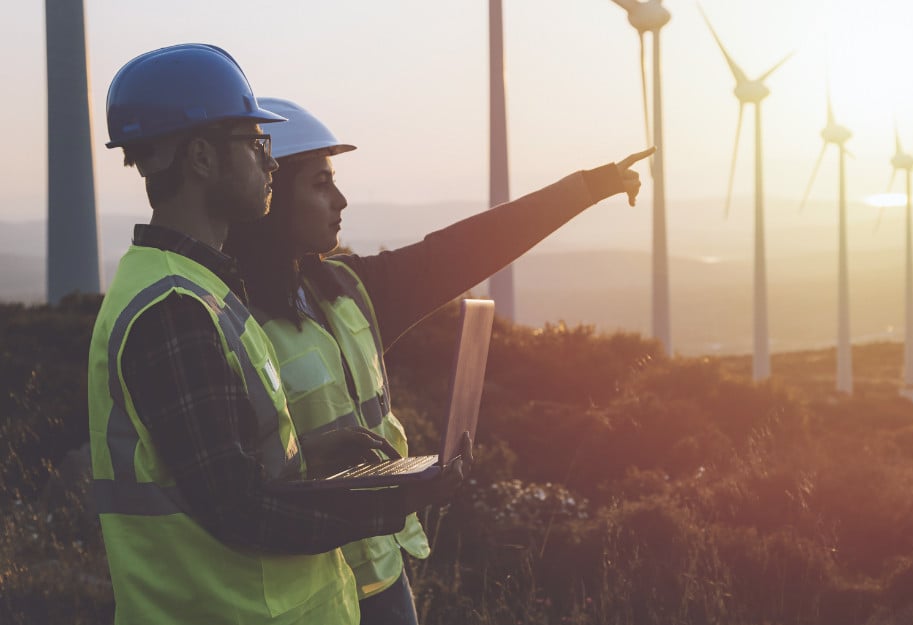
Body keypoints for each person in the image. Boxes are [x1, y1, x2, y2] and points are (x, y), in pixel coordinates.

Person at [222, 97, 653, 624]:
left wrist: (589, 186)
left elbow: (466, 248)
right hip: (297, 594)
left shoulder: (349, 289)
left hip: (382, 574)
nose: (340, 199)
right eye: (320, 184)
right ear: (270, 192)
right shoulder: (226, 317)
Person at [87, 44, 457, 625]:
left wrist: (313, 457)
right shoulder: (174, 310)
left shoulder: (201, 289)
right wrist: (390, 501)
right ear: (202, 157)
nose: (272, 164)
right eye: (257, 144)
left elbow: (220, 471)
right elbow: (241, 510)